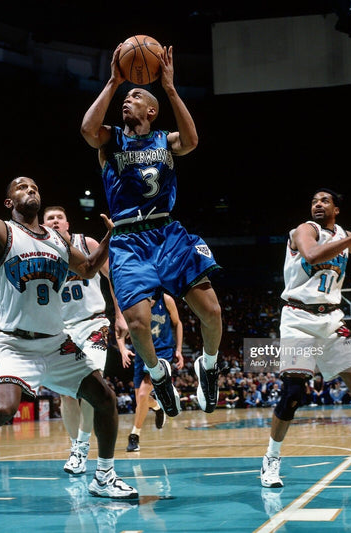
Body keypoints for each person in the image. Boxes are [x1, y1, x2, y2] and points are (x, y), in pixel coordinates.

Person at [0, 123, 138, 518]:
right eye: (22, 187)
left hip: (56, 343)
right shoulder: (0, 232)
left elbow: (89, 269)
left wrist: (111, 236)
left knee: (105, 398)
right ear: (9, 201)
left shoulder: (58, 241)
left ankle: (104, 475)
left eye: (34, 187)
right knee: (3, 410)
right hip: (13, 342)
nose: (30, 190)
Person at [80, 43, 222, 418]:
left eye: (136, 96)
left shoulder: (165, 140)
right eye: (125, 98)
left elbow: (192, 141)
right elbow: (87, 129)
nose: (127, 101)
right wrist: (113, 82)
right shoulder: (111, 140)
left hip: (167, 234)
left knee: (211, 311)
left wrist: (170, 88)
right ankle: (158, 375)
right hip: (128, 240)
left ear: (151, 111)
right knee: (139, 323)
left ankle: (209, 366)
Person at [260, 188, 351, 489]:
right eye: (314, 200)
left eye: (324, 201)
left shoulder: (343, 235)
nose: (318, 204)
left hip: (331, 320)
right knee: (293, 392)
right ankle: (271, 459)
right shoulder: (304, 230)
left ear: (336, 209)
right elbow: (313, 254)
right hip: (298, 319)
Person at [42, 205, 128, 475]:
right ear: (43, 225)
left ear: (67, 224)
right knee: (67, 395)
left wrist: (120, 314)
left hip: (94, 323)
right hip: (62, 329)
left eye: (59, 217)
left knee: (92, 382)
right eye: (50, 218)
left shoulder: (86, 243)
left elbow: (113, 276)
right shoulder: (40, 252)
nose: (55, 221)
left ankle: (81, 447)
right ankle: (75, 447)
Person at [118, 291, 184, 452]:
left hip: (162, 352)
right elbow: (119, 328)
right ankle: (157, 407)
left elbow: (178, 323)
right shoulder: (134, 300)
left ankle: (134, 435)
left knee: (142, 395)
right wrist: (122, 349)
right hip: (141, 352)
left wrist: (179, 349)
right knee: (141, 400)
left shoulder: (166, 299)